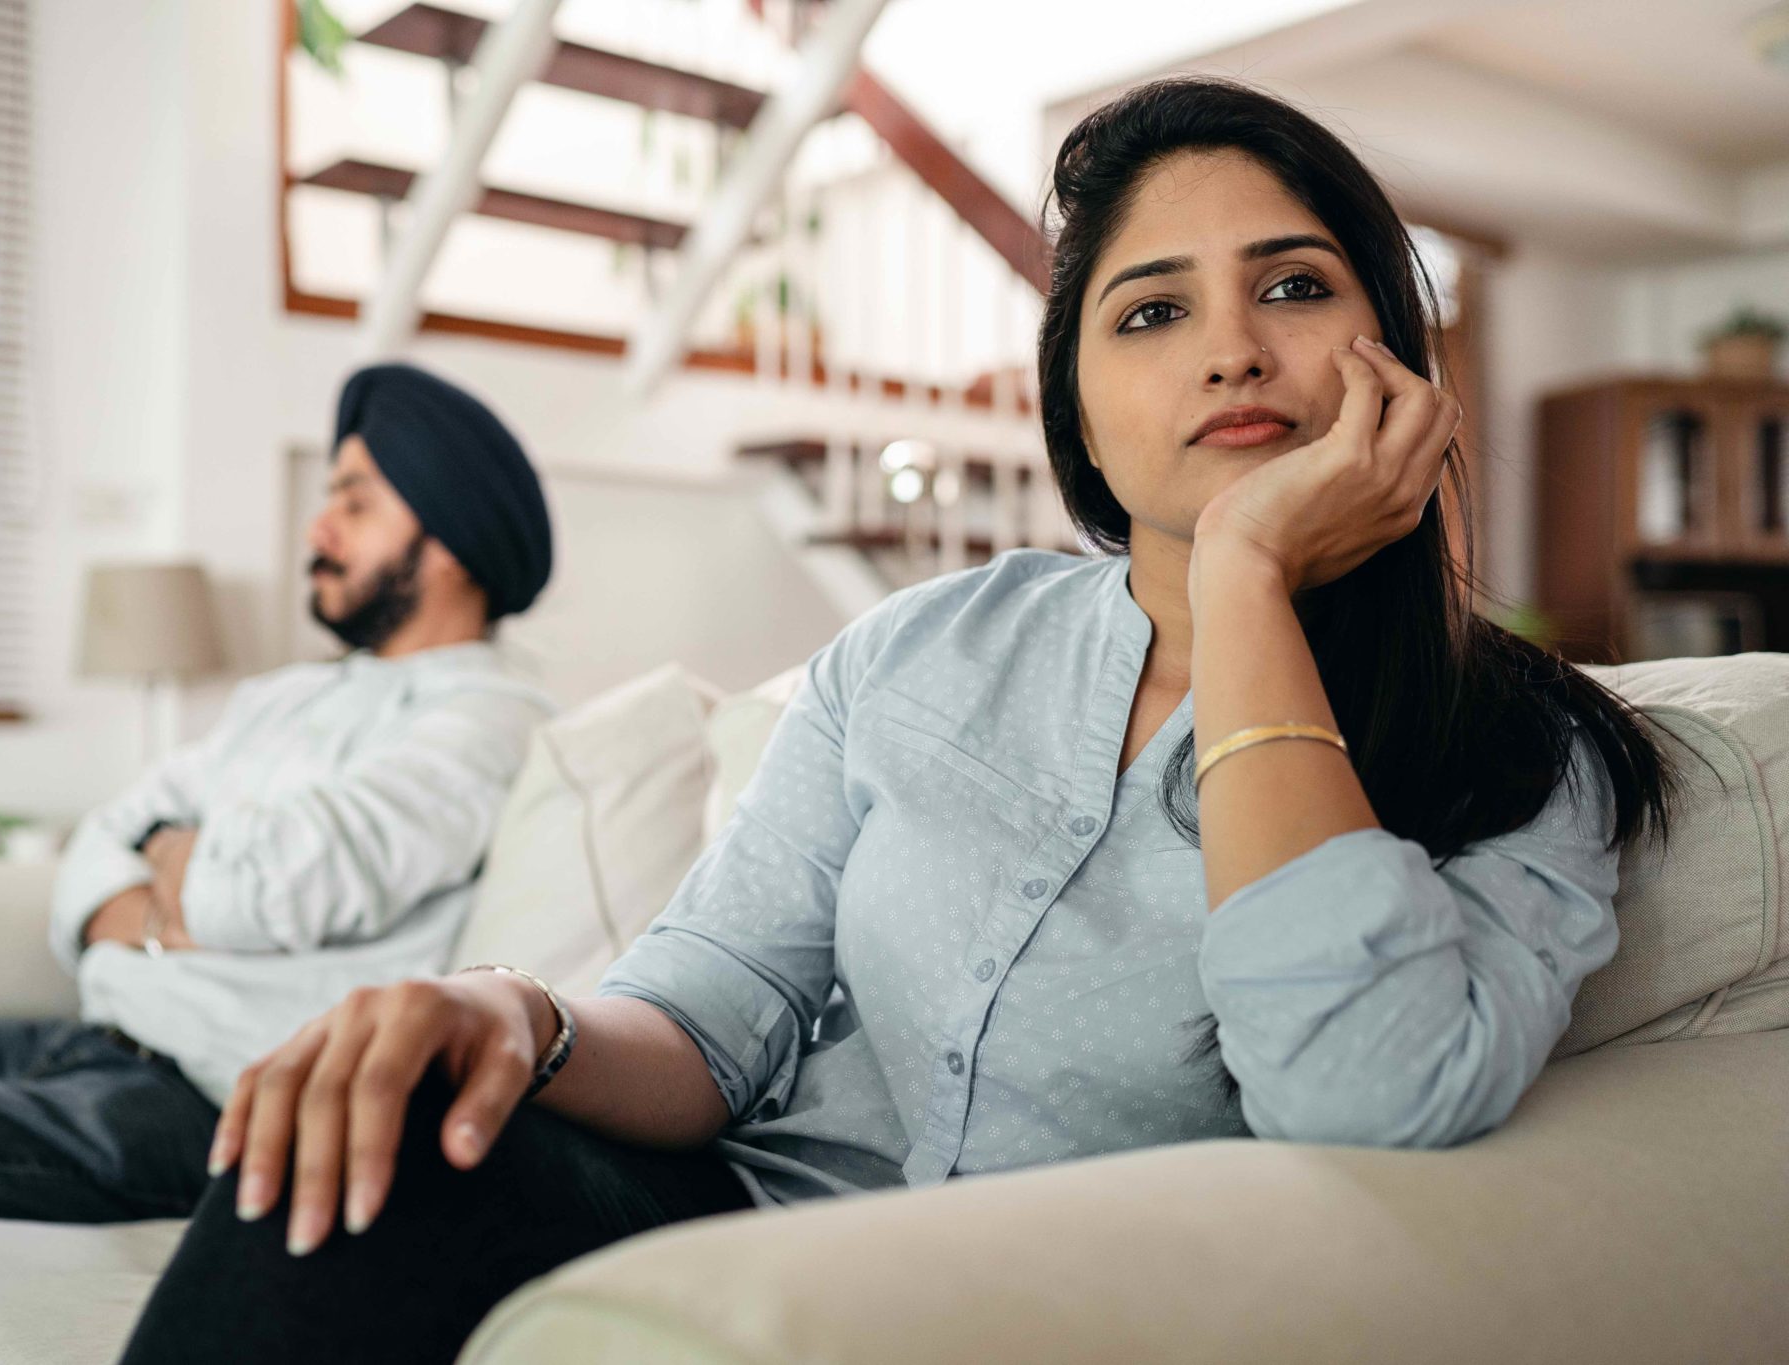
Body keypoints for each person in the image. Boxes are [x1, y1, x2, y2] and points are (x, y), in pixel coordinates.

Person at [117, 78, 1688, 1365]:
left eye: (1293, 286)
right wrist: (512, 1013)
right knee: (358, 1151)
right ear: (1075, 400)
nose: (1230, 349)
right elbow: (721, 1007)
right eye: (1148, 313)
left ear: (1395, 361)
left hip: (1046, 1309)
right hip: (725, 1231)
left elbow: (1363, 1091)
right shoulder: (922, 648)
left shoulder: (1521, 748)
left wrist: (1250, 575)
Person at [0, 362, 557, 1250]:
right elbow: (103, 842)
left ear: (450, 541)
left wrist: (175, 869)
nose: (317, 529)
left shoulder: (491, 717)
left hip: (198, 1105)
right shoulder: (283, 698)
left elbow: (265, 890)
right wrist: (177, 894)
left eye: (355, 504)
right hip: (88, 1037)